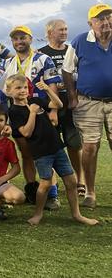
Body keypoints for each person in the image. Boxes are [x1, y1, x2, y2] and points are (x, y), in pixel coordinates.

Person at [6, 74, 97, 226]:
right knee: (45, 184)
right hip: (42, 153)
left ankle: (77, 215)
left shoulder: (35, 100)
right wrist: (33, 113)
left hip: (57, 148)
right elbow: (26, 132)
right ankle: (38, 214)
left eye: (24, 87)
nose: (22, 91)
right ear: (9, 91)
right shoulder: (14, 111)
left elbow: (59, 104)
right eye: (17, 88)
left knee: (71, 181)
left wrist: (48, 89)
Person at [0, 25, 61, 208]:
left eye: (22, 38)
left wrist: (53, 111)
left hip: (38, 110)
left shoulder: (43, 59)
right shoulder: (7, 63)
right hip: (16, 113)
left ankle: (52, 193)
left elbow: (53, 84)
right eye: (15, 39)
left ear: (30, 39)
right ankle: (33, 190)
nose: (19, 42)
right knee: (26, 154)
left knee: (46, 152)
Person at [63, 3, 112, 209]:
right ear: (90, 23)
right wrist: (72, 97)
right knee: (90, 148)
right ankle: (90, 193)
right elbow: (67, 70)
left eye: (108, 17)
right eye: (100, 19)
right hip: (88, 102)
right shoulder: (80, 41)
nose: (105, 22)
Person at [38, 19, 85, 196]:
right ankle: (53, 186)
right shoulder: (41, 53)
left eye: (66, 29)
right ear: (50, 33)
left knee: (74, 143)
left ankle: (80, 181)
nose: (64, 32)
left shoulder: (72, 50)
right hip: (50, 105)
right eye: (60, 30)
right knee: (51, 145)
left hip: (71, 103)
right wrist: (51, 108)